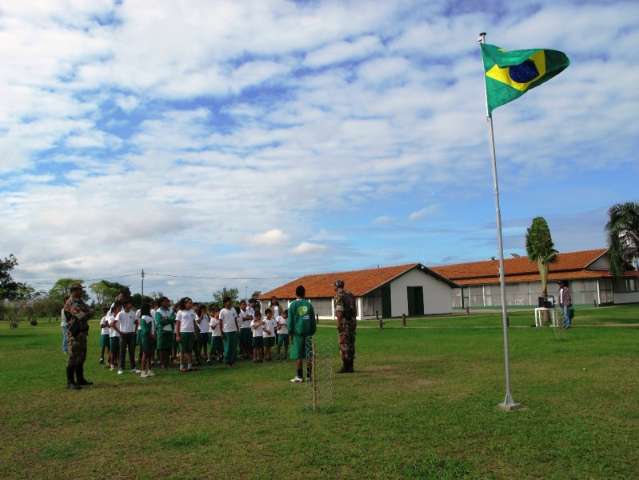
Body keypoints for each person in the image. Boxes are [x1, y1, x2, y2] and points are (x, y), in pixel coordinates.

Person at [63, 284, 92, 389]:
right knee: (73, 358)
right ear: (74, 290)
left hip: (83, 333)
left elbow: (90, 311)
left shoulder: (80, 301)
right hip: (75, 334)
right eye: (80, 290)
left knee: (81, 357)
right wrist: (87, 313)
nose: (82, 291)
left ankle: (80, 379)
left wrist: (87, 313)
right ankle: (70, 382)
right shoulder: (70, 302)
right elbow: (81, 315)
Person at [287, 285, 316, 384]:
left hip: (297, 334)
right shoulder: (309, 305)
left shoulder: (293, 305)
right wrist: (312, 331)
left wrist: (290, 332)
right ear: (304, 293)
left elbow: (290, 321)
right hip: (308, 333)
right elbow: (312, 320)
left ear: (296, 293)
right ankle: (309, 376)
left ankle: (299, 377)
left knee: (298, 355)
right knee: (308, 355)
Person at [334, 280, 357, 373]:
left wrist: (339, 324)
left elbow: (339, 312)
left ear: (336, 286)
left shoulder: (338, 296)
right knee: (351, 344)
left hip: (344, 323)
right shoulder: (350, 295)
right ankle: (351, 366)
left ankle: (345, 366)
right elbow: (355, 311)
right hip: (352, 322)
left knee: (343, 344)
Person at [115, 298, 139, 375]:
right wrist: (119, 332)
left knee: (132, 351)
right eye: (129, 303)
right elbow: (113, 324)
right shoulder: (120, 313)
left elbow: (137, 322)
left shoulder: (133, 313)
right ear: (125, 305)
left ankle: (133, 368)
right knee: (122, 352)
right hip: (123, 335)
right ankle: (120, 368)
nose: (131, 305)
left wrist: (135, 331)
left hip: (131, 335)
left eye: (131, 304)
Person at [175, 297, 197, 372]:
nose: (191, 304)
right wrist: (177, 335)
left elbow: (194, 323)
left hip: (191, 333)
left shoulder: (192, 311)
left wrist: (195, 332)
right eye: (189, 303)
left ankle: (190, 366)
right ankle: (182, 367)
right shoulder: (180, 312)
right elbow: (177, 324)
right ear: (185, 304)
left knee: (190, 350)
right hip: (183, 332)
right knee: (182, 351)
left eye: (191, 303)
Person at [154, 297, 174, 369]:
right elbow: (160, 322)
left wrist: (166, 319)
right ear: (161, 303)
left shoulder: (170, 311)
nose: (167, 303)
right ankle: (162, 363)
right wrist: (168, 319)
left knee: (168, 348)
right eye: (165, 301)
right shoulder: (158, 312)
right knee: (162, 348)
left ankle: (167, 363)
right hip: (162, 332)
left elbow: (173, 318)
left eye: (167, 301)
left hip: (169, 331)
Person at [219, 297, 239, 366]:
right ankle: (227, 361)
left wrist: (237, 329)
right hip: (226, 331)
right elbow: (220, 322)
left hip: (234, 330)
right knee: (228, 347)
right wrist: (221, 332)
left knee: (234, 346)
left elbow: (235, 320)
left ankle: (232, 361)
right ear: (224, 303)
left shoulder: (233, 309)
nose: (230, 303)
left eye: (230, 301)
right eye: (228, 301)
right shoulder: (222, 311)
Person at [138, 303, 156, 378]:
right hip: (146, 338)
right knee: (145, 354)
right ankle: (142, 371)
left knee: (149, 354)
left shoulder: (149, 317)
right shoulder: (144, 318)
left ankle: (149, 370)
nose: (150, 309)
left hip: (151, 337)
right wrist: (151, 335)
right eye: (149, 308)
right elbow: (145, 329)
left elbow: (152, 327)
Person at [108, 303, 122, 371]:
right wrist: (119, 331)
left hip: (119, 336)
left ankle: (118, 364)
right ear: (114, 310)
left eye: (120, 309)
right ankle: (112, 364)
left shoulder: (119, 316)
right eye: (118, 309)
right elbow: (111, 325)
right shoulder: (111, 317)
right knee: (113, 351)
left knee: (119, 351)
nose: (119, 310)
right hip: (113, 336)